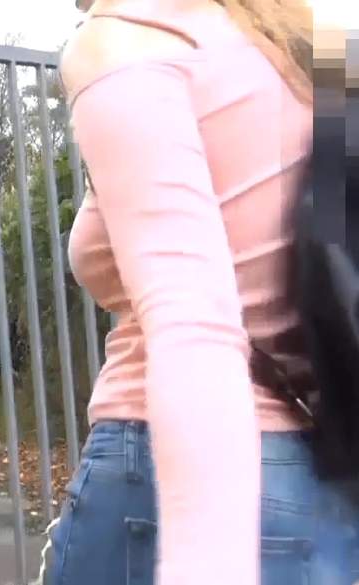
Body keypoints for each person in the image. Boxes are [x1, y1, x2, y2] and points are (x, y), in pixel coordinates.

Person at [40, 1, 359, 584]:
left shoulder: (131, 44)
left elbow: (195, 325)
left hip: (171, 479)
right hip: (330, 477)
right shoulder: (307, 52)